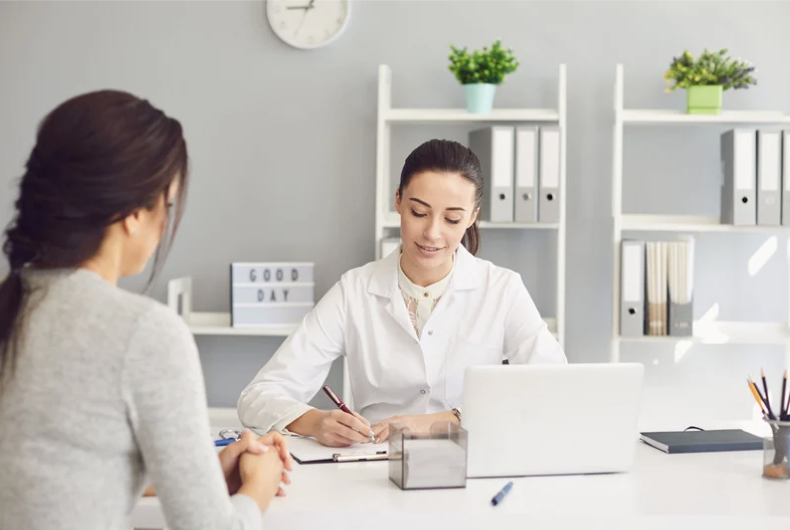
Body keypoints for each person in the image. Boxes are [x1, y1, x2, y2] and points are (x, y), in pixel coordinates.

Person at [0, 90, 292, 530]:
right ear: (134, 213)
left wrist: (203, 471)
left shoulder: (13, 305)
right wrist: (260, 486)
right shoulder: (142, 332)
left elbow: (52, 478)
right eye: (166, 204)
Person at [237, 138, 567, 447]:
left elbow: (555, 386)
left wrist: (445, 420)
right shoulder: (354, 291)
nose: (432, 233)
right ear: (398, 200)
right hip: (374, 466)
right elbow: (258, 396)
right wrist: (314, 421)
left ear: (472, 218)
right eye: (419, 213)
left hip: (470, 464)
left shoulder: (501, 290)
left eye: (452, 219)